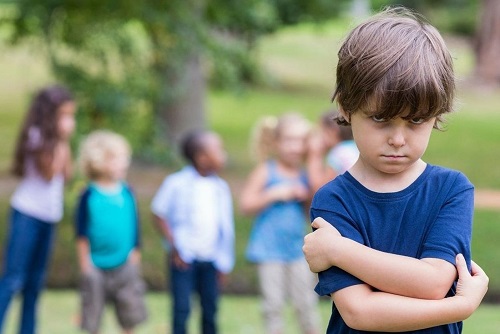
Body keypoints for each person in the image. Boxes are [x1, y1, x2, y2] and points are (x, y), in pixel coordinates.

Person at [301, 7, 489, 334]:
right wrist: (457, 306)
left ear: (437, 114)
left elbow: (432, 282)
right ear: (346, 107)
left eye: (416, 121)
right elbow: (360, 313)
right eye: (380, 119)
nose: (398, 139)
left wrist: (337, 250)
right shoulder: (333, 199)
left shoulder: (452, 190)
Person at [0, 85, 76, 334]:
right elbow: (48, 173)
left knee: (35, 283)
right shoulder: (36, 136)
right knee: (13, 279)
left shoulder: (58, 143)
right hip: (27, 213)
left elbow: (66, 175)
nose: (68, 120)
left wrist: (65, 143)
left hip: (49, 216)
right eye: (64, 114)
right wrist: (62, 140)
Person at [240, 113, 320, 334]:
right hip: (269, 250)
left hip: (297, 250)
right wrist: (273, 194)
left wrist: (306, 194)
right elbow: (246, 205)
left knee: (306, 302)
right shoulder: (267, 171)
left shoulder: (305, 175)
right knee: (272, 304)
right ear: (276, 142)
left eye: (300, 141)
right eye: (289, 140)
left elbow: (313, 213)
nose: (295, 147)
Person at [150, 129, 235, 334]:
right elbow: (158, 213)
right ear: (202, 158)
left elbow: (224, 226)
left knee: (210, 309)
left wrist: (224, 261)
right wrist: (173, 245)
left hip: (211, 260)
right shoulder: (176, 183)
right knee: (181, 308)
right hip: (184, 258)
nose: (223, 155)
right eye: (218, 150)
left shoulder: (220, 188)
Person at [75, 130, 147, 334]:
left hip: (125, 262)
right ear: (99, 161)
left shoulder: (127, 191)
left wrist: (136, 251)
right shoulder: (88, 195)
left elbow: (135, 223)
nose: (124, 163)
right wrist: (85, 265)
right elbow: (81, 233)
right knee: (92, 315)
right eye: (117, 159)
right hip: (95, 265)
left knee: (129, 312)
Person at [307, 110, 359, 193]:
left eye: (320, 130)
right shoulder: (354, 147)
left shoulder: (339, 153)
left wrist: (314, 154)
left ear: (333, 131)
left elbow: (319, 189)